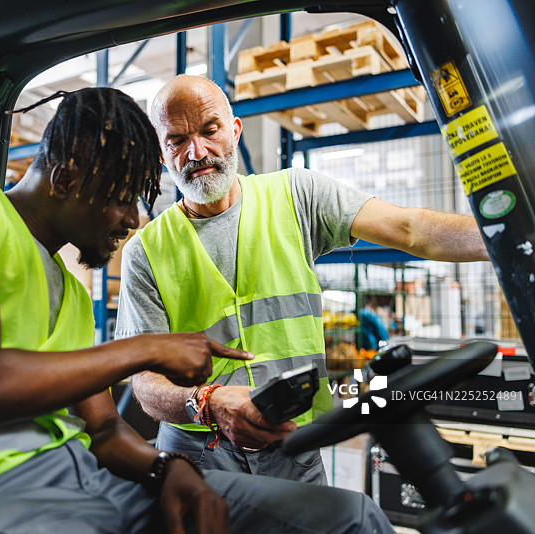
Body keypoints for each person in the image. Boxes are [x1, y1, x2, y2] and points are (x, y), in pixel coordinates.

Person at [0, 87, 393, 534]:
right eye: (124, 197)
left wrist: (171, 469)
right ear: (68, 176)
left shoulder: (71, 296)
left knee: (351, 518)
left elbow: (103, 432)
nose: (134, 221)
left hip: (82, 479)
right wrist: (148, 348)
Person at [116, 74, 490, 485]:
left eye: (210, 130)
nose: (198, 152)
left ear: (235, 129)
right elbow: (144, 382)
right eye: (177, 140)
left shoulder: (296, 195)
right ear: (161, 151)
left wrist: (507, 235)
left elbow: (409, 229)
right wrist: (204, 403)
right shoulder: (145, 251)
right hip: (196, 459)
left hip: (295, 448)